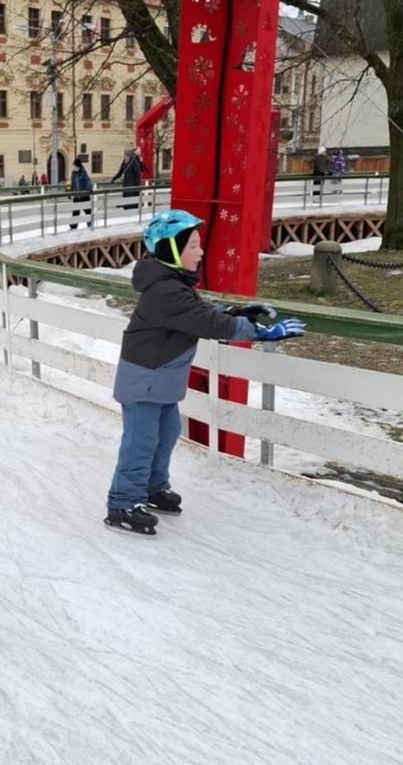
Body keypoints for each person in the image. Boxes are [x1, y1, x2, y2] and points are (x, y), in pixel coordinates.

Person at [105, 209, 306, 535]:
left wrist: (236, 311)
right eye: (193, 246)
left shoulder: (172, 283)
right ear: (170, 250)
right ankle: (123, 502)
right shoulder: (165, 291)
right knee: (141, 442)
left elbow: (198, 311)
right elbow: (206, 322)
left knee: (166, 434)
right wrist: (260, 331)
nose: (201, 253)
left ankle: (152, 488)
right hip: (145, 381)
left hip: (160, 379)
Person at [69, 155, 94, 229]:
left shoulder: (83, 173)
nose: (73, 167)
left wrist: (90, 188)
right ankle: (73, 226)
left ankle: (90, 224)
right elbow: (72, 184)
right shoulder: (73, 173)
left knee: (87, 211)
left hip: (84, 195)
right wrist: (70, 193)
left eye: (74, 165)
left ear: (77, 166)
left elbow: (88, 181)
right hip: (77, 196)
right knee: (75, 212)